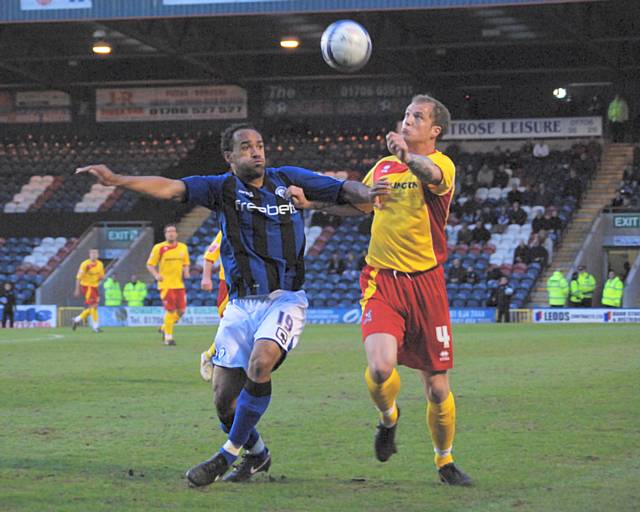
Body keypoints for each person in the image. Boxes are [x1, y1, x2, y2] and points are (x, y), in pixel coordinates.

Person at [76, 122, 373, 486]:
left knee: (261, 361)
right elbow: (170, 187)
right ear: (229, 157)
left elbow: (346, 191)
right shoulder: (220, 187)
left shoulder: (288, 179)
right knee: (222, 401)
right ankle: (257, 454)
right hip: (240, 305)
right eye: (246, 147)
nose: (256, 151)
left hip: (285, 299)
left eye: (260, 145)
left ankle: (225, 455)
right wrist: (118, 180)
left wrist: (370, 192)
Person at [289, 94, 472, 485]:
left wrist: (407, 157)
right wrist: (313, 204)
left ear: (434, 130)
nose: (407, 121)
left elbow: (431, 176)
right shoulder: (384, 166)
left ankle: (445, 461)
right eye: (406, 115)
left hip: (427, 285)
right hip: (382, 280)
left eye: (417, 117)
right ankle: (388, 419)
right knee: (379, 366)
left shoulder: (440, 165)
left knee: (438, 388)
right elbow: (360, 206)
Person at [146, 224, 190, 346]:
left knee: (181, 311)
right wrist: (156, 275)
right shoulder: (159, 248)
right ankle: (168, 338)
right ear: (165, 234)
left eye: (173, 231)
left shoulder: (183, 248)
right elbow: (150, 264)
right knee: (170, 311)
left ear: (176, 234)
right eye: (168, 232)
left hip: (179, 284)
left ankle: (165, 326)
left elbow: (185, 263)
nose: (171, 234)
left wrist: (186, 271)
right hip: (165, 284)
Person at [199, 231, 229, 382]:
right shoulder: (227, 227)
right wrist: (206, 277)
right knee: (230, 326)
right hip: (229, 283)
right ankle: (209, 356)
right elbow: (210, 255)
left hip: (251, 283)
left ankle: (210, 355)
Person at [72, 249, 104, 332]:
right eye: (92, 253)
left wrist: (100, 278)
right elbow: (78, 278)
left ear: (98, 255)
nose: (94, 255)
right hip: (87, 287)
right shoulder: (85, 264)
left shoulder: (100, 264)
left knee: (94, 307)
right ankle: (95, 327)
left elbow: (101, 276)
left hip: (95, 287)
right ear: (89, 255)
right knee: (93, 306)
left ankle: (77, 319)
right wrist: (77, 289)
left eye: (95, 253)